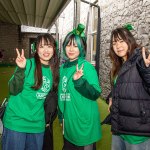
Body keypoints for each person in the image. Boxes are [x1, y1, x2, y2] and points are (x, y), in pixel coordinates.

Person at [2, 33, 59, 150]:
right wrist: (20, 70)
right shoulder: (27, 64)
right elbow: (13, 89)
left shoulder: (54, 71)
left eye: (48, 46)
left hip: (37, 125)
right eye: (41, 46)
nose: (46, 50)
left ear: (54, 48)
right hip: (16, 122)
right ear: (36, 49)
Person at [58, 23, 102, 150]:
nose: (71, 49)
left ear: (82, 48)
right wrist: (61, 117)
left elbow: (95, 93)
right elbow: (62, 95)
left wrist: (79, 82)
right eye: (68, 45)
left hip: (84, 126)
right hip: (69, 125)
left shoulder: (86, 67)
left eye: (75, 46)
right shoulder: (62, 68)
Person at [108, 26, 150, 150]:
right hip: (119, 129)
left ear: (129, 41)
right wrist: (111, 97)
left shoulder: (142, 60)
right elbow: (123, 88)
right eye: (114, 43)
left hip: (137, 133)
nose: (118, 46)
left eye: (122, 41)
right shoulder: (119, 64)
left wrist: (147, 71)